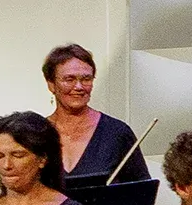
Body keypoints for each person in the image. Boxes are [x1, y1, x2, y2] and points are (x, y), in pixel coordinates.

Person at [42, 43, 150, 181]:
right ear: (51, 84)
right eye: (69, 79)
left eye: (86, 79)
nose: (79, 87)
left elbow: (142, 193)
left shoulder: (117, 133)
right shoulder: (35, 135)